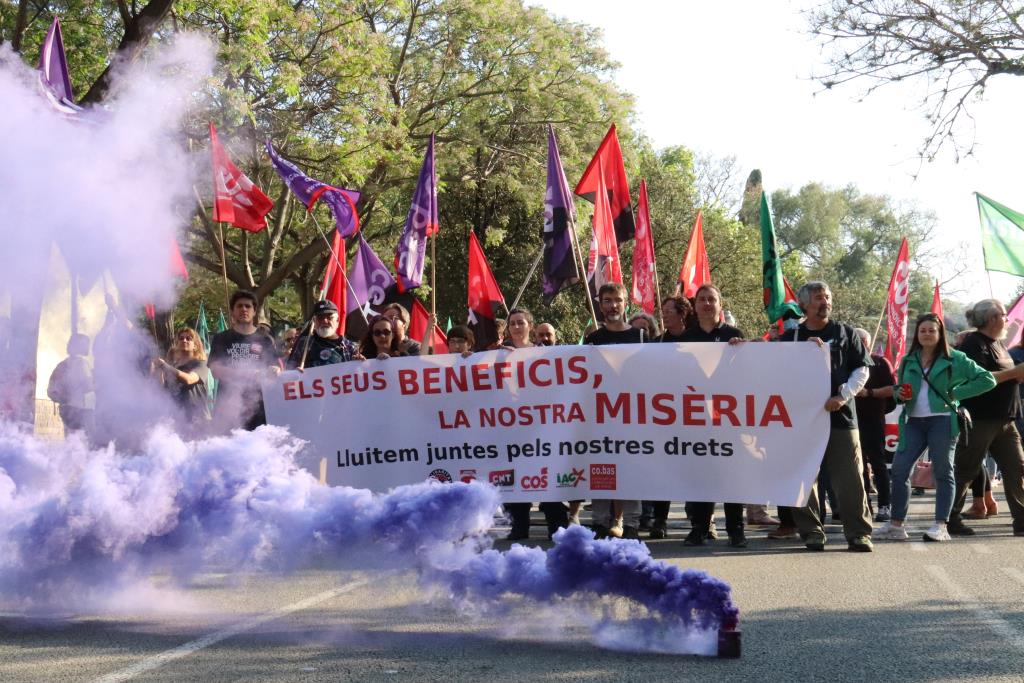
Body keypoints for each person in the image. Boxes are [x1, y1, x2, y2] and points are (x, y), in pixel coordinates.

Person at [874, 313, 995, 542]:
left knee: (943, 472)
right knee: (899, 471)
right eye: (923, 330)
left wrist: (957, 393)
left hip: (943, 420)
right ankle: (896, 525)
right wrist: (899, 394)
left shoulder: (955, 358)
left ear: (940, 334)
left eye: (932, 330)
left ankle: (941, 525)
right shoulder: (909, 360)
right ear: (917, 334)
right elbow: (900, 390)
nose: (927, 334)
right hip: (913, 422)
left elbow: (987, 379)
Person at [785, 281, 875, 552]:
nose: (824, 302)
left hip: (841, 418)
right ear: (803, 305)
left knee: (850, 479)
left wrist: (842, 396)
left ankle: (858, 533)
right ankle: (811, 531)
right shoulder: (791, 338)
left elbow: (862, 370)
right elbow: (770, 369)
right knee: (803, 477)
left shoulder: (846, 333)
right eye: (817, 298)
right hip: (800, 421)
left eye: (827, 297)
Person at [678, 284, 748, 548]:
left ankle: (736, 529)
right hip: (697, 418)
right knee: (702, 475)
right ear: (695, 307)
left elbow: (746, 373)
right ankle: (699, 528)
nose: (707, 304)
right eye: (702, 300)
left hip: (728, 418)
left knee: (731, 475)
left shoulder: (734, 335)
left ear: (720, 304)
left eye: (712, 299)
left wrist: (741, 351)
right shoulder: (687, 337)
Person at [946, 300, 1024, 537]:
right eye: (1003, 315)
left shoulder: (998, 343)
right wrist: (1014, 373)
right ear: (991, 318)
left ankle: (1021, 520)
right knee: (965, 470)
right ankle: (949, 518)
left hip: (1005, 419)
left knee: (1017, 468)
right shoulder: (973, 344)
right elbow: (977, 379)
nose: (1007, 319)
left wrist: (1015, 377)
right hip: (980, 419)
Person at [501, 308, 570, 540]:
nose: (517, 327)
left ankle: (557, 525)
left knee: (547, 474)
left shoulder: (544, 353)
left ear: (530, 326)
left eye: (521, 323)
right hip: (512, 426)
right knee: (516, 474)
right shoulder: (498, 355)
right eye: (513, 324)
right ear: (508, 328)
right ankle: (519, 526)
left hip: (542, 424)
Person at [585, 283, 644, 540]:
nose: (613, 305)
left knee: (631, 467)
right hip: (601, 414)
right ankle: (599, 521)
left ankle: (631, 522)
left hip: (633, 413)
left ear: (625, 302)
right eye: (607, 301)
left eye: (617, 300)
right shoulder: (593, 340)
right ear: (601, 305)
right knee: (600, 467)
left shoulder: (641, 337)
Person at [209, 290, 281, 431]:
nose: (244, 309)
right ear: (232, 311)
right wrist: (247, 373)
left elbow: (275, 369)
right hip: (228, 408)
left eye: (248, 306)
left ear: (254, 311)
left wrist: (276, 370)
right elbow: (215, 371)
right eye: (239, 306)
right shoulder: (221, 338)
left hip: (259, 408)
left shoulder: (266, 339)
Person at [853, 328, 898, 522]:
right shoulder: (845, 363)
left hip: (873, 420)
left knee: (878, 463)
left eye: (861, 341)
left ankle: (884, 505)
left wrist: (869, 393)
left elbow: (893, 390)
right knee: (858, 466)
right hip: (851, 422)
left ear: (867, 343)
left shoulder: (880, 363)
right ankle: (864, 505)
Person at [152, 327, 212, 429]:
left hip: (198, 421)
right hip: (177, 421)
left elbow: (189, 379)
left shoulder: (202, 363)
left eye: (188, 338)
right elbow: (163, 391)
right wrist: (157, 369)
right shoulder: (173, 366)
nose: (184, 340)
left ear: (195, 345)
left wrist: (166, 366)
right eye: (181, 338)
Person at [287, 300, 359, 369]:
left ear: (337, 321)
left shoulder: (350, 347)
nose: (324, 321)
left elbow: (359, 376)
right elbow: (289, 371)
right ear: (314, 321)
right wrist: (292, 372)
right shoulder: (303, 344)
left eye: (329, 317)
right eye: (320, 318)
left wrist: (361, 365)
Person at [47, 333, 94, 435]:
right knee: (80, 442)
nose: (88, 348)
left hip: (65, 409)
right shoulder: (82, 363)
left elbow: (51, 390)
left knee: (71, 441)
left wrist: (63, 398)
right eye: (86, 345)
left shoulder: (62, 364)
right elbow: (89, 386)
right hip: (79, 409)